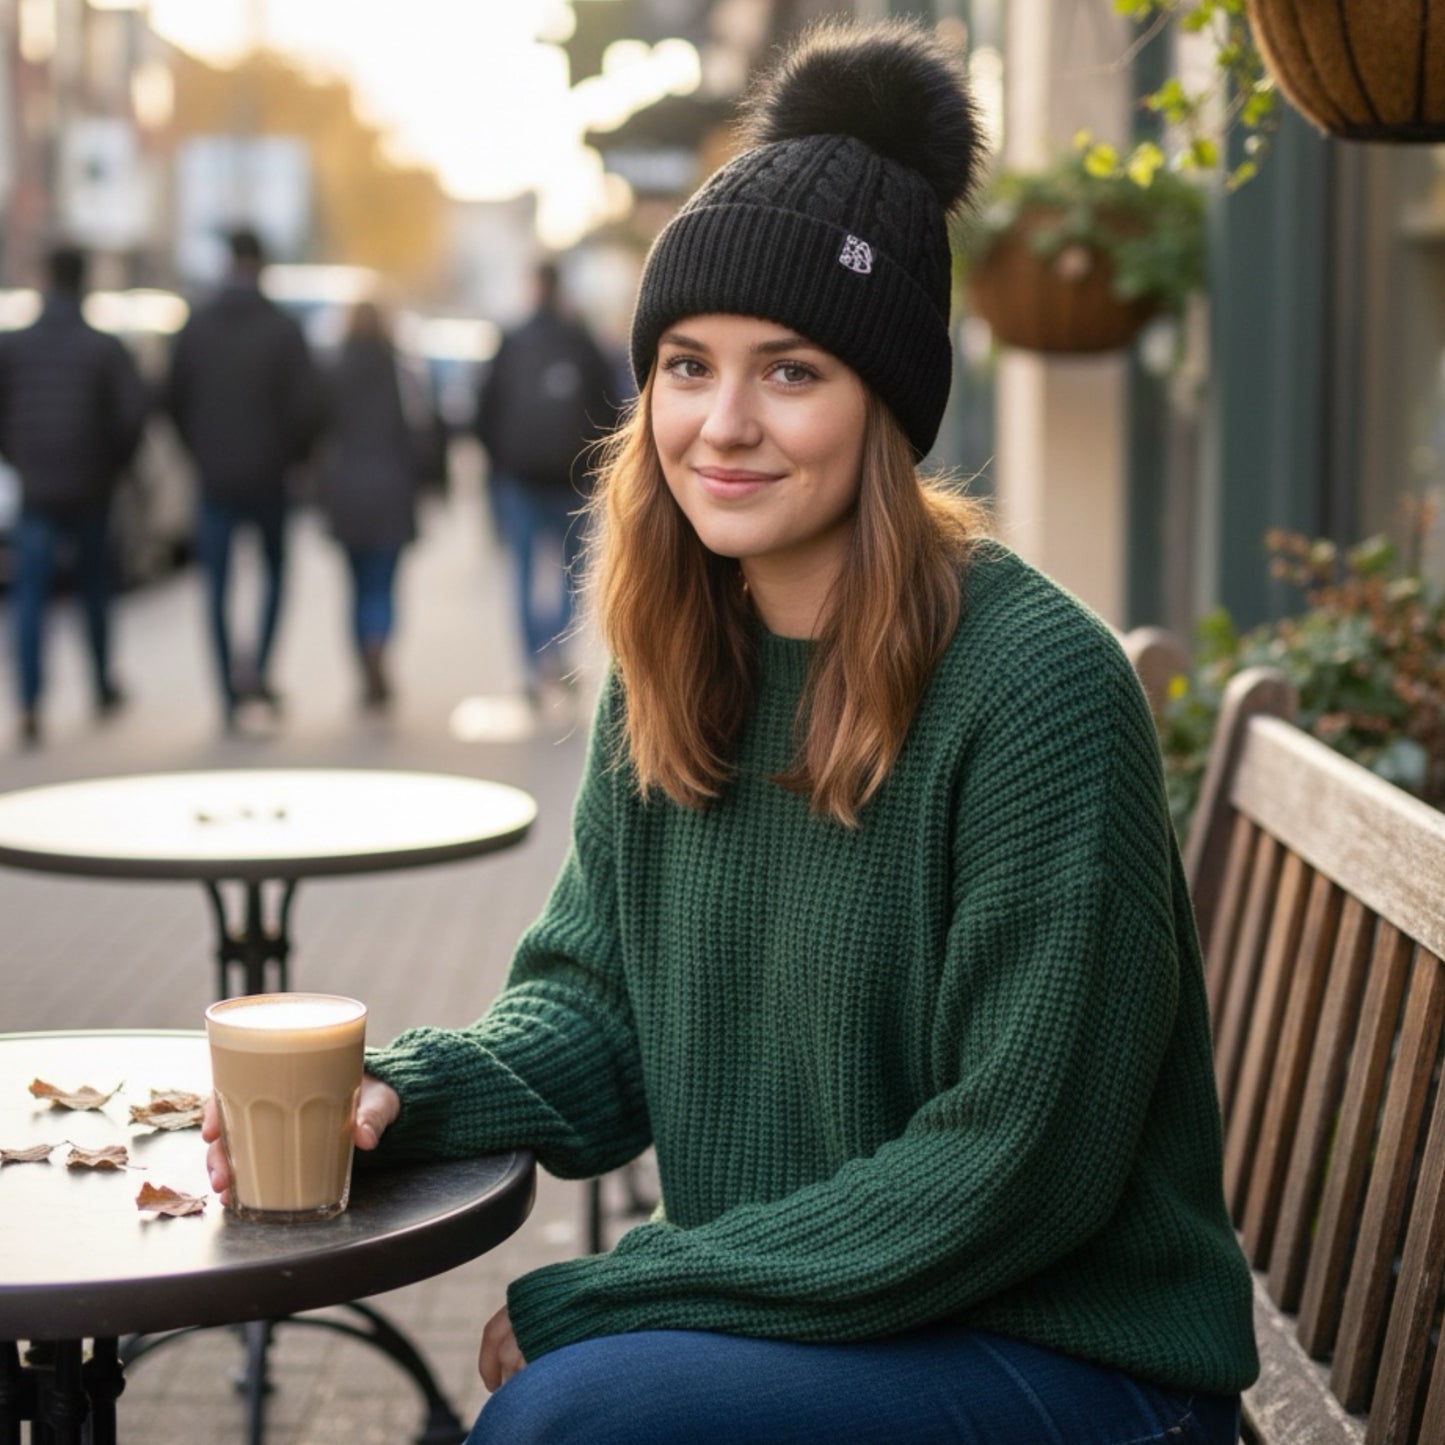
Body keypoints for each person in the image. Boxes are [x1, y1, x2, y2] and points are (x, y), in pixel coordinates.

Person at [205, 20, 1258, 1443]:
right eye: (687, 365)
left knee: (569, 1419)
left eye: (792, 372)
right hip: (833, 1314)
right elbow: (597, 1009)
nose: (723, 424)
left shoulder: (1035, 688)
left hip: (1067, 1349)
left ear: (886, 404)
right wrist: (398, 1091)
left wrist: (635, 1288)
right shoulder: (677, 655)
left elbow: (1013, 1166)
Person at [163, 227, 322, 729]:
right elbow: (308, 407)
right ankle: (259, 669)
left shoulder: (198, 324)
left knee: (217, 585)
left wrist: (198, 452)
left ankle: (227, 691)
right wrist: (293, 456)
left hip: (215, 477)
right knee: (274, 573)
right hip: (270, 477)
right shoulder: (283, 328)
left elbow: (171, 398)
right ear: (262, 264)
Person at [0, 244, 149, 746]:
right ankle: (101, 684)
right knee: (94, 589)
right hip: (91, 486)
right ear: (84, 282)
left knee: (30, 597)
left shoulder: (15, 346)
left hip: (38, 486)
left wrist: (19, 457)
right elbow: (133, 416)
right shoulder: (103, 348)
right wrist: (113, 465)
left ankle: (29, 700)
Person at [474, 258, 617, 700]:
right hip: (574, 477)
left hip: (521, 478)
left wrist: (501, 463)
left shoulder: (512, 340)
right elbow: (611, 410)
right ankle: (556, 648)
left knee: (522, 572)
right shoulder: (581, 342)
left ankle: (532, 664)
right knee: (573, 572)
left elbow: (484, 411)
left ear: (534, 286)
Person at [317, 300, 425, 708]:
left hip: (347, 493)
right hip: (391, 490)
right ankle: (379, 646)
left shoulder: (332, 370)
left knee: (356, 587)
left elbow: (315, 430)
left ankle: (365, 664)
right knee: (383, 585)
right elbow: (421, 432)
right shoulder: (400, 371)